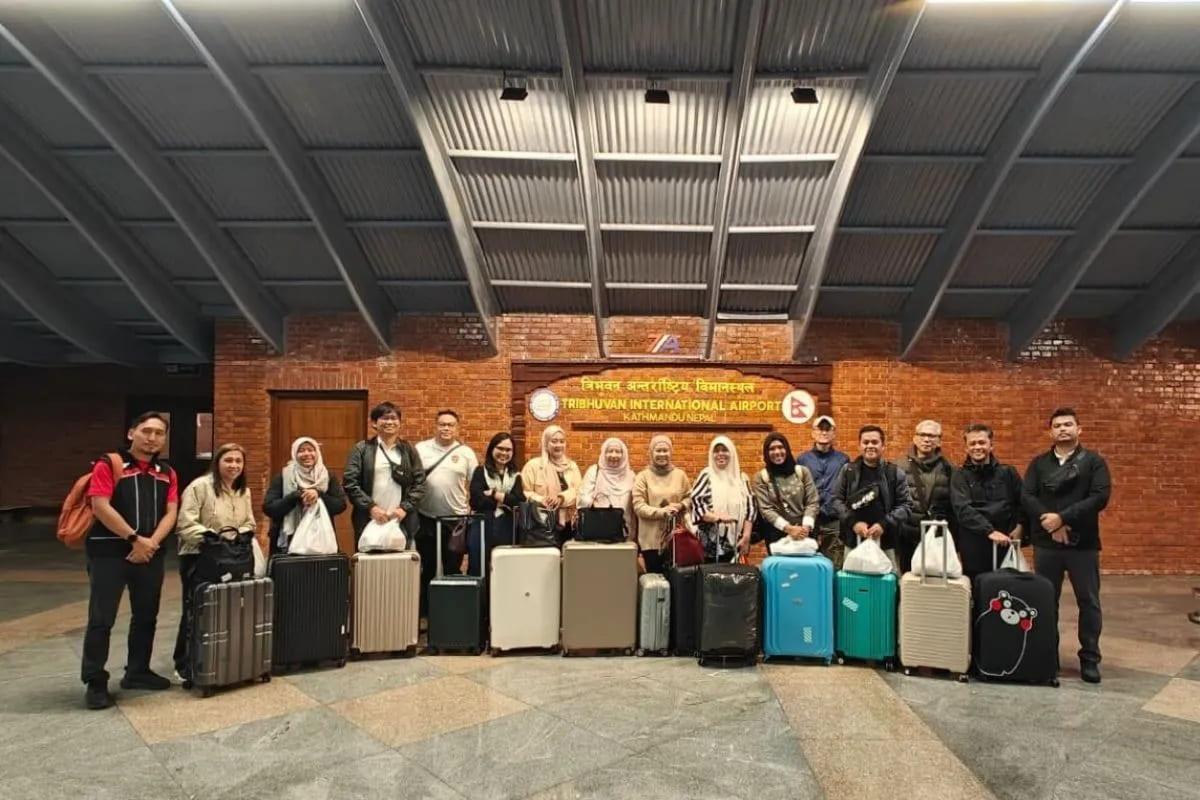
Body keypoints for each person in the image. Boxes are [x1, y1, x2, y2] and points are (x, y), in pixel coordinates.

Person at [81, 411, 179, 710]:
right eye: (146, 431)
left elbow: (171, 511)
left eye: (159, 433)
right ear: (131, 433)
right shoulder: (109, 464)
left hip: (150, 553)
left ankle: (138, 671)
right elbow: (100, 506)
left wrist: (151, 543)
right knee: (102, 618)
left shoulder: (167, 472)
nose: (152, 438)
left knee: (146, 615)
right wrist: (134, 538)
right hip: (110, 553)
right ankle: (95, 681)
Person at [1022, 407, 1111, 684]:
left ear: (1079, 429)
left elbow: (1099, 497)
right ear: (1051, 431)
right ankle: (1049, 656)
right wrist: (1053, 525)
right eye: (1058, 425)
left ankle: (1090, 659)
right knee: (1047, 602)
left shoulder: (1093, 462)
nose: (1063, 429)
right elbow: (1027, 496)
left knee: (1089, 602)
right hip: (1047, 545)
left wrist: (1063, 518)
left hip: (1082, 545)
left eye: (1068, 424)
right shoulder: (1039, 464)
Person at [174, 443, 256, 683]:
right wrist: (214, 539)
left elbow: (249, 522)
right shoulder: (200, 487)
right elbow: (186, 524)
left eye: (238, 461)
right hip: (200, 557)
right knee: (196, 610)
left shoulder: (243, 491)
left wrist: (238, 536)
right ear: (218, 462)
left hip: (232, 558)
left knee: (227, 609)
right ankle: (186, 664)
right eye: (228, 460)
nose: (234, 465)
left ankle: (221, 660)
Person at [415, 411, 480, 609]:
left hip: (456, 521)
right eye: (442, 424)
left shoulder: (466, 453)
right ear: (435, 426)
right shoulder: (421, 449)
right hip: (426, 518)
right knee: (428, 567)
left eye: (450, 425)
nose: (446, 428)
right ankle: (427, 612)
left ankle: (451, 611)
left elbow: (475, 483)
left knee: (452, 566)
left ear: (457, 428)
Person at [343, 402, 426, 549]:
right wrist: (371, 507)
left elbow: (420, 483)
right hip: (369, 518)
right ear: (374, 423)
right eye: (384, 418)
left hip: (401, 519)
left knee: (401, 564)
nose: (389, 422)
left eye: (393, 418)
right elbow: (350, 482)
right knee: (368, 565)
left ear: (400, 423)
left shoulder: (408, 450)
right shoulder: (361, 449)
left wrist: (404, 508)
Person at [831, 425, 913, 573]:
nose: (870, 446)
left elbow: (906, 505)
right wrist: (853, 522)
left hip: (886, 542)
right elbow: (836, 500)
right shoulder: (847, 471)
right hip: (853, 540)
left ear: (883, 446)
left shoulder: (895, 473)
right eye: (866, 442)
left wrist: (884, 524)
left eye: (874, 442)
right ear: (859, 445)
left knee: (887, 586)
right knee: (853, 585)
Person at [949, 424, 1025, 579]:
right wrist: (989, 531)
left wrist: (1020, 526)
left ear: (991, 446)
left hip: (1005, 540)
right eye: (972, 443)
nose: (977, 447)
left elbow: (1022, 501)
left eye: (982, 443)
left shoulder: (1008, 472)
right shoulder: (959, 475)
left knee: (1006, 588)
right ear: (966, 448)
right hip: (974, 543)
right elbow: (963, 509)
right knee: (977, 588)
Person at [262, 437, 348, 556]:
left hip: (320, 540)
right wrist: (295, 496)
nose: (307, 454)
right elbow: (269, 508)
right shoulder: (283, 476)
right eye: (301, 450)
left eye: (310, 450)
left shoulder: (327, 477)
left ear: (317, 452)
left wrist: (319, 495)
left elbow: (340, 505)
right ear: (294, 454)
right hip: (288, 542)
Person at [898, 420, 956, 574]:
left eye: (932, 436)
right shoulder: (899, 467)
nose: (927, 439)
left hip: (936, 537)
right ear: (914, 438)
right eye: (922, 435)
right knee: (907, 582)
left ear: (939, 441)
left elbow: (953, 506)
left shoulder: (949, 469)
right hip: (906, 538)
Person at [689, 436, 755, 563]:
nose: (720, 454)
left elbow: (751, 509)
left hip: (738, 542)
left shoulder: (742, 478)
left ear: (732, 453)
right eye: (716, 451)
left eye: (724, 450)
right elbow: (696, 503)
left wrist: (746, 537)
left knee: (735, 580)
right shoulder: (706, 475)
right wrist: (716, 517)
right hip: (710, 546)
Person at [632, 435, 691, 574]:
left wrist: (681, 505)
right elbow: (638, 506)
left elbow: (690, 497)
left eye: (665, 450)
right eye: (658, 450)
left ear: (671, 452)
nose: (662, 454)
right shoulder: (643, 477)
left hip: (677, 539)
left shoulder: (680, 475)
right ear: (651, 453)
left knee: (678, 581)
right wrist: (662, 512)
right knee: (656, 584)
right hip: (651, 542)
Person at [797, 415, 850, 568]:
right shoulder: (802, 460)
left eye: (828, 429)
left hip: (834, 522)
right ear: (813, 432)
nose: (824, 432)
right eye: (820, 428)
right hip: (809, 522)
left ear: (834, 433)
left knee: (835, 564)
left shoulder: (843, 460)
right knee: (808, 563)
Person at [752, 433, 819, 550]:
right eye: (772, 449)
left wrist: (805, 528)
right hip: (777, 536)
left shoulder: (802, 472)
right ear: (766, 453)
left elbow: (812, 501)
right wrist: (789, 529)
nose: (777, 452)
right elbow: (766, 509)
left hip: (805, 533)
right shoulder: (761, 477)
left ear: (787, 449)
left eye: (780, 447)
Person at [469, 433, 525, 563]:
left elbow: (519, 501)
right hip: (482, 524)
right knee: (479, 564)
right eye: (500, 448)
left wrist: (495, 494)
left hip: (507, 526)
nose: (504, 453)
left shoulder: (515, 475)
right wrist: (505, 501)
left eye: (508, 450)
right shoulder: (480, 471)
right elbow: (476, 501)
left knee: (504, 564)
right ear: (492, 449)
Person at [520, 425, 582, 542]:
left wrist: (561, 498)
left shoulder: (572, 466)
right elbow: (525, 492)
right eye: (554, 441)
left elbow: (579, 491)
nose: (558, 445)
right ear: (546, 443)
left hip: (569, 522)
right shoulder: (534, 466)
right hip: (540, 522)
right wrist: (542, 500)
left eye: (561, 441)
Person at [579, 437, 637, 543]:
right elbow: (582, 497)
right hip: (597, 530)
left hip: (624, 532)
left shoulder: (631, 475)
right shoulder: (594, 471)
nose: (614, 455)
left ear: (623, 454)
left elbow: (635, 505)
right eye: (610, 451)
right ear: (604, 453)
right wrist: (595, 506)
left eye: (618, 452)